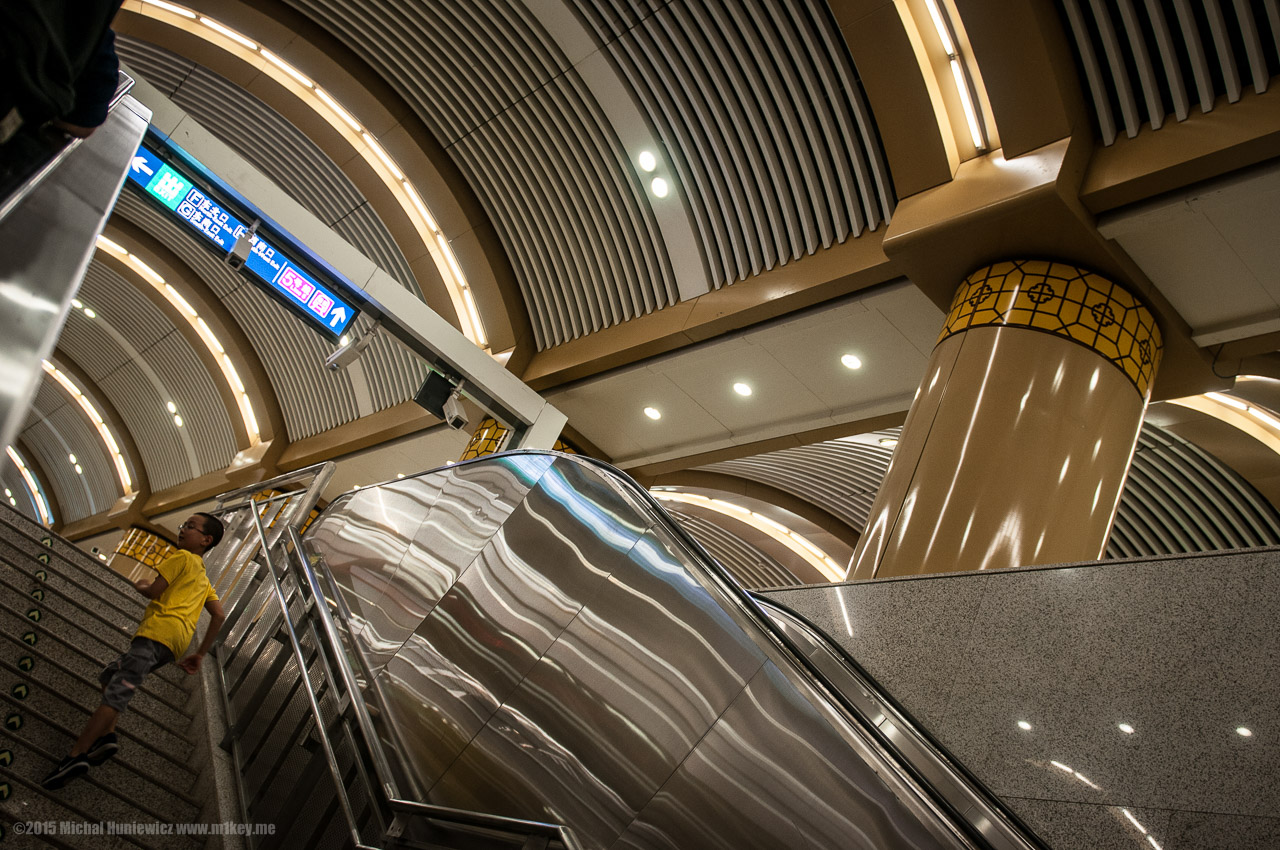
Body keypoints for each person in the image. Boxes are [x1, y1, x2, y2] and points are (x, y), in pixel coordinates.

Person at [41, 512, 227, 790]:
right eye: (183, 525)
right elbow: (219, 616)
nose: (182, 530)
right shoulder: (203, 579)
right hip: (173, 646)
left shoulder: (181, 557)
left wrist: (140, 584)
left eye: (190, 527)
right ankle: (106, 737)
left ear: (206, 540)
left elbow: (154, 591)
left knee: (117, 695)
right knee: (109, 675)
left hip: (155, 634)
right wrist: (199, 653)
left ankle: (76, 755)